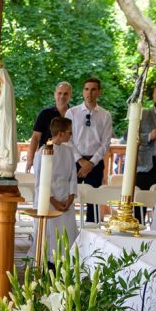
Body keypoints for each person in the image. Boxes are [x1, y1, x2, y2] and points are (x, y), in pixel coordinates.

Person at [65, 77, 113, 223]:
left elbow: (106, 143)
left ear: (99, 92)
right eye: (86, 89)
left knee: (94, 201)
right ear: (82, 92)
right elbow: (68, 139)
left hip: (95, 163)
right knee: (69, 196)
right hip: (74, 161)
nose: (89, 93)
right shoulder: (72, 113)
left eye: (93, 90)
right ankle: (69, 230)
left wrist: (91, 163)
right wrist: (80, 160)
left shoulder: (105, 115)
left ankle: (92, 236)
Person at [32, 117, 77, 262]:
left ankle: (65, 263)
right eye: (70, 132)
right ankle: (47, 262)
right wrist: (54, 201)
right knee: (50, 234)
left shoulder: (69, 151)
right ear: (61, 133)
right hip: (49, 199)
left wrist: (70, 197)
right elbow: (40, 180)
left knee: (67, 233)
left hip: (66, 198)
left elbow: (73, 175)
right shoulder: (43, 152)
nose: (71, 135)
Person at [25, 82, 72, 172]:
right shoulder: (45, 113)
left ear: (70, 95)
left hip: (66, 159)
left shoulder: (74, 114)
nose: (62, 96)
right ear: (55, 95)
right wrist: (30, 159)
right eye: (59, 93)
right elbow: (35, 137)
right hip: (46, 156)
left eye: (66, 93)